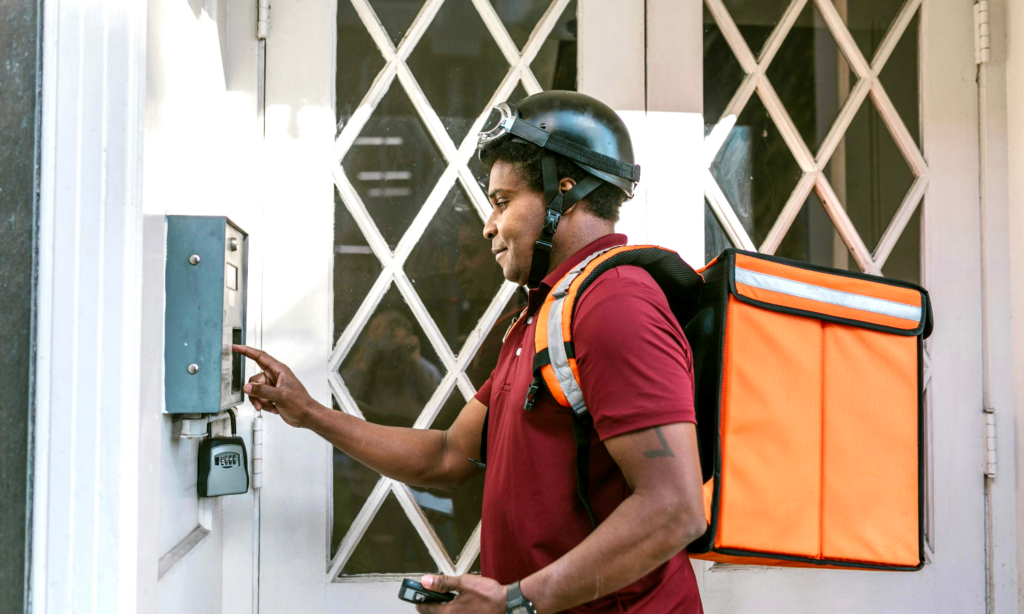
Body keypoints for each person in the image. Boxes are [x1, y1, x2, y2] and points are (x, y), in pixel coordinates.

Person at [234, 91, 707, 613]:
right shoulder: (544, 314)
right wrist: (309, 414)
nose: (489, 225)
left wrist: (514, 602)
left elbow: (674, 508)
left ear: (564, 194)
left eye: (503, 202)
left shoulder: (615, 304)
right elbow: (447, 455)